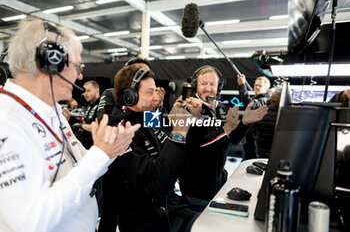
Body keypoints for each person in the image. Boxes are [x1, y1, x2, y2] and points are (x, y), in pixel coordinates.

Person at [0, 18, 140, 232]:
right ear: (51, 63)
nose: (80, 75)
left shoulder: (51, 109)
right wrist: (100, 155)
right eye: (77, 66)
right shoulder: (6, 121)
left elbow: (79, 162)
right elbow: (31, 223)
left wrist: (110, 149)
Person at [99, 65, 204, 232]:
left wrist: (191, 121)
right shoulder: (120, 131)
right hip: (146, 218)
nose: (156, 97)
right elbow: (157, 184)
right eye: (150, 92)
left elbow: (172, 148)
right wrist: (179, 131)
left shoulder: (148, 116)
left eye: (156, 91)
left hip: (169, 205)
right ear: (129, 96)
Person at [179, 65, 268, 201]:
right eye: (204, 84)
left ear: (218, 87)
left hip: (218, 180)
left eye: (212, 84)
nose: (208, 88)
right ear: (196, 86)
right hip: (196, 185)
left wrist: (244, 123)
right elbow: (197, 146)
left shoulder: (221, 108)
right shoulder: (188, 109)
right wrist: (225, 129)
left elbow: (232, 140)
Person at [96, 57, 165, 121]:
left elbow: (155, 128)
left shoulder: (149, 99)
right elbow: (102, 120)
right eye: (138, 72)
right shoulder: (110, 93)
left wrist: (157, 107)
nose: (144, 76)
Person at [237, 75, 271, 160]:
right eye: (256, 85)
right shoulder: (256, 99)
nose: (257, 87)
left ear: (266, 89)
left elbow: (249, 104)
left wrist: (242, 85)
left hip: (255, 142)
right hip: (249, 139)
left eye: (260, 85)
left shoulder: (265, 100)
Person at [80, 80, 101, 148]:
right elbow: (86, 121)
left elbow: (98, 128)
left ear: (97, 91)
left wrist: (82, 126)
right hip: (85, 143)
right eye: (84, 91)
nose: (85, 94)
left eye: (88, 91)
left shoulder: (101, 105)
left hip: (94, 145)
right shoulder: (89, 105)